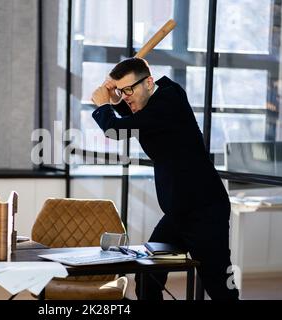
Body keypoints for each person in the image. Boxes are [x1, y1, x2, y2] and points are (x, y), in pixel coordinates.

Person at [91, 57, 239, 300]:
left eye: (130, 89)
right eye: (122, 90)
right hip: (178, 215)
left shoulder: (168, 102)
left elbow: (116, 130)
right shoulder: (159, 97)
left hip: (205, 213)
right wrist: (118, 101)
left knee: (219, 286)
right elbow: (137, 118)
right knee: (148, 275)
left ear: (149, 82)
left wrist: (102, 105)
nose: (126, 95)